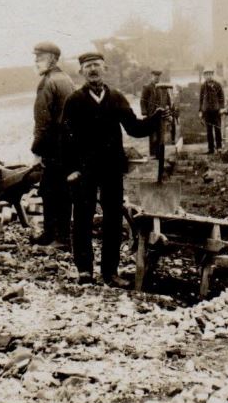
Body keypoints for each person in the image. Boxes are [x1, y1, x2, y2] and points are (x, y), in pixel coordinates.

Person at [63, 52, 167, 286]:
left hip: (111, 169)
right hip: (83, 171)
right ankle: (84, 271)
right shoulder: (74, 101)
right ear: (81, 72)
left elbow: (134, 128)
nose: (93, 70)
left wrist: (155, 119)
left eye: (97, 66)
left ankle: (110, 272)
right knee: (82, 219)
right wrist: (70, 169)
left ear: (105, 68)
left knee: (112, 220)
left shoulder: (116, 98)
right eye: (88, 67)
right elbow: (65, 137)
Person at [30, 41, 75, 248]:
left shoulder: (48, 82)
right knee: (56, 190)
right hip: (67, 145)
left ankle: (61, 237)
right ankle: (52, 234)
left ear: (53, 59)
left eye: (40, 58)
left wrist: (36, 151)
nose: (36, 61)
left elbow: (42, 121)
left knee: (53, 192)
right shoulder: (65, 78)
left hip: (53, 147)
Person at [140, 68, 171, 157]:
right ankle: (153, 153)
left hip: (161, 114)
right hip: (151, 114)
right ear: (152, 76)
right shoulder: (147, 87)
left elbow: (167, 98)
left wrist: (168, 108)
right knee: (152, 133)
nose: (156, 78)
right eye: (155, 76)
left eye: (158, 76)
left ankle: (159, 153)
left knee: (160, 133)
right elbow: (143, 101)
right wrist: (144, 113)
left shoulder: (162, 87)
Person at [199, 67, 225, 154]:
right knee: (209, 130)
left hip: (216, 111)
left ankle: (219, 147)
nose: (208, 76)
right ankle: (211, 149)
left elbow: (221, 98)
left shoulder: (217, 85)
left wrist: (221, 108)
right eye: (206, 74)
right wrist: (200, 111)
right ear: (204, 76)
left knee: (217, 129)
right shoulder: (203, 86)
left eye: (210, 74)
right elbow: (201, 99)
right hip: (207, 111)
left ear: (212, 75)